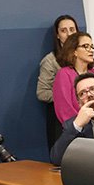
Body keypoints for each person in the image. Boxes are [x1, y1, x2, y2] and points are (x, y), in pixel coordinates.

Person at [36, 15, 79, 149]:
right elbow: (42, 93)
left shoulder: (85, 57)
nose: (69, 34)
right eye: (64, 30)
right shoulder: (50, 61)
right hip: (61, 120)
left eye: (72, 29)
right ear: (58, 35)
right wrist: (67, 98)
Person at [51, 32, 94, 126]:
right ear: (74, 51)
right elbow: (64, 109)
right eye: (86, 46)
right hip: (76, 127)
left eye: (92, 46)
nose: (91, 50)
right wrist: (80, 125)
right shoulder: (64, 74)